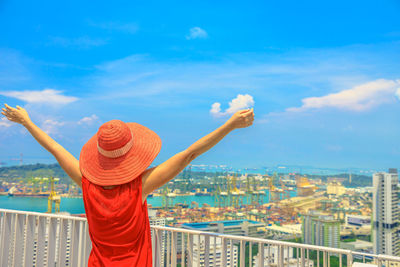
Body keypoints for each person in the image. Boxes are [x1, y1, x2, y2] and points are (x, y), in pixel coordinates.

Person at [1, 103, 254, 266]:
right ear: (132, 155)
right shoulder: (139, 187)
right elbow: (189, 154)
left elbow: (55, 148)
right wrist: (230, 125)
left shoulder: (86, 183)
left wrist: (26, 121)